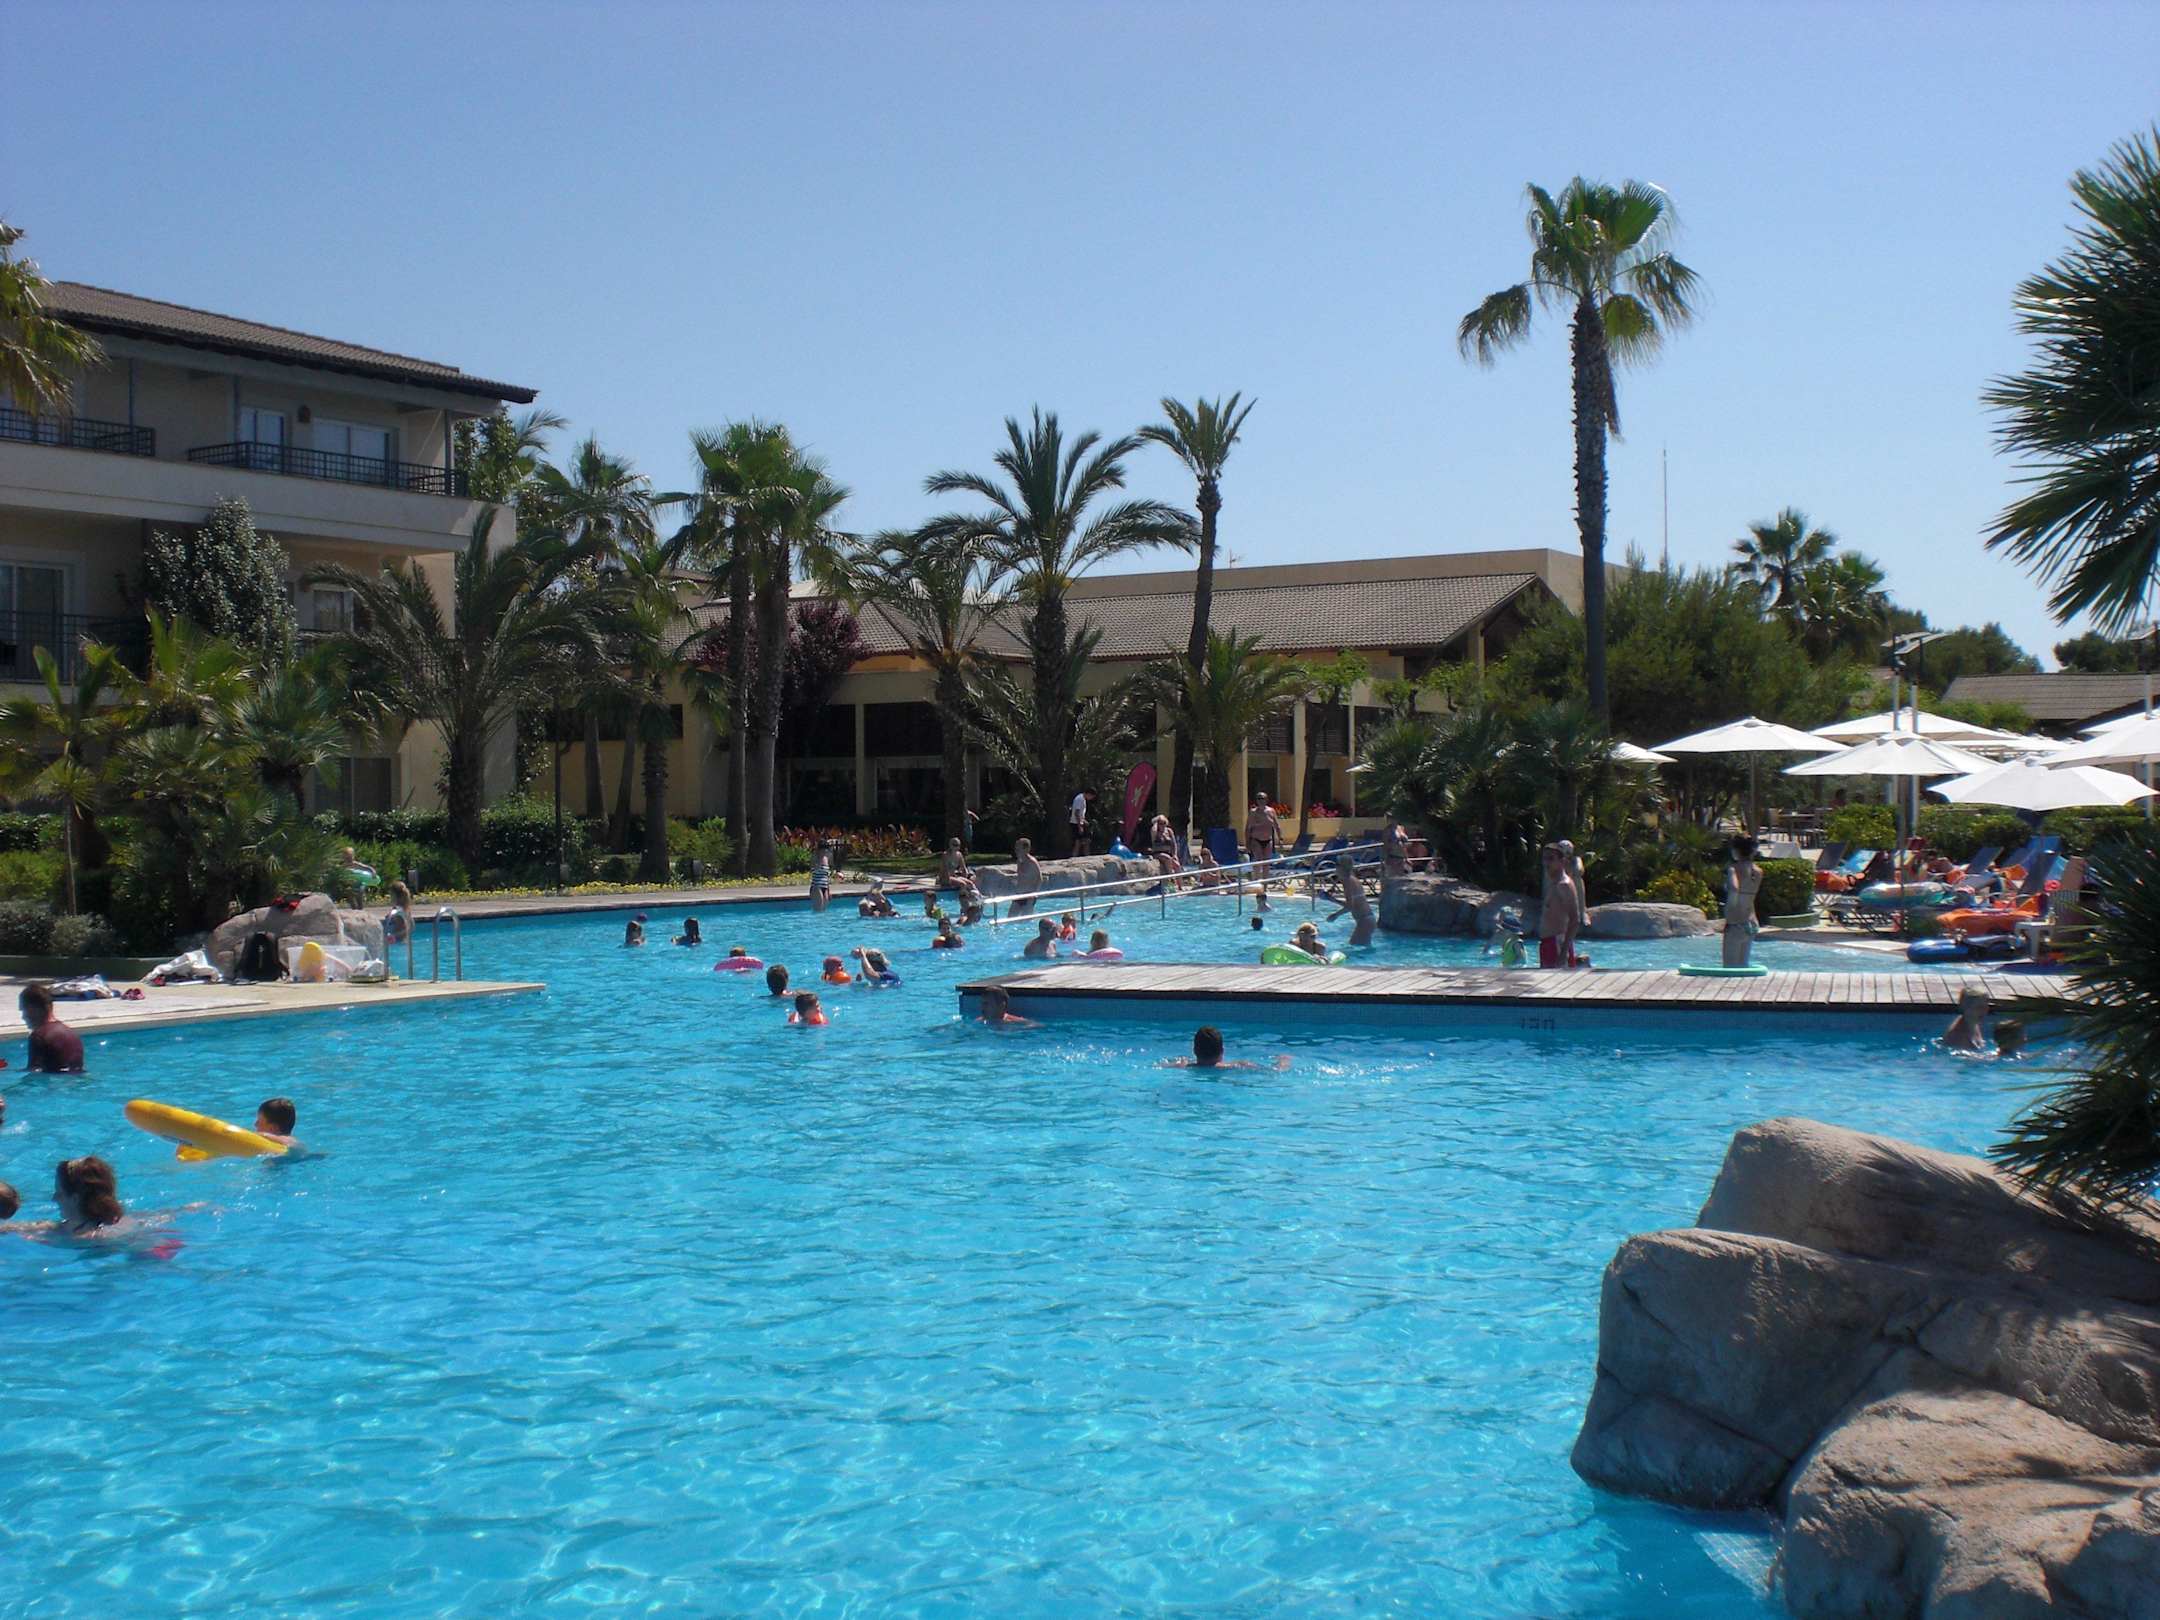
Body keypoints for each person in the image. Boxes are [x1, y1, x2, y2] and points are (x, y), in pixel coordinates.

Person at [19, 984, 84, 1074]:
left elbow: (34, 1073)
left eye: (24, 1010)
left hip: (54, 1081)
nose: (23, 1017)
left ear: (34, 1009)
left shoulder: (39, 1036)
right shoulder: (72, 1034)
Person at [1165, 1025, 1290, 1071]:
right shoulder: (1238, 1065)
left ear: (1194, 1050)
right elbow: (1275, 1071)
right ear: (1222, 1051)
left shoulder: (1182, 1066)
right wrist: (1284, 1060)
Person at [1537, 845, 1584, 970]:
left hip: (1557, 944)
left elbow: (1575, 920)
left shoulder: (1564, 885)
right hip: (1548, 944)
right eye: (1544, 859)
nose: (1546, 863)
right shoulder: (1554, 883)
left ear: (1562, 862)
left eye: (1551, 858)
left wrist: (1563, 953)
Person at [1722, 836, 1764, 969]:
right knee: (1743, 967)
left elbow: (1734, 888)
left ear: (1735, 850)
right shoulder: (1758, 872)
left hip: (1736, 923)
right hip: (1752, 923)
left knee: (1729, 968)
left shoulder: (1733, 869)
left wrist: (1731, 905)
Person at [1326, 854, 1377, 947]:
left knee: (1353, 949)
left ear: (1342, 867)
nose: (1335, 867)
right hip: (1367, 920)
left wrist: (1335, 914)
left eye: (1337, 865)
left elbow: (1349, 907)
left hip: (1364, 921)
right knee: (1360, 949)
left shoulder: (1347, 881)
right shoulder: (1352, 879)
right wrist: (1332, 902)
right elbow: (1352, 905)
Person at [1944, 985, 1990, 1052]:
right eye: (1979, 1007)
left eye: (1986, 1006)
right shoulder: (1959, 1035)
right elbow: (1963, 1056)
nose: (1984, 1011)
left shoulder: (1972, 1023)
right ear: (1965, 1008)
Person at [1244, 792, 1281, 872]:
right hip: (1256, 839)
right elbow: (1248, 828)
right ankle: (1257, 878)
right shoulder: (1253, 812)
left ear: (1266, 800)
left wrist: (1280, 839)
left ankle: (1265, 879)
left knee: (1266, 863)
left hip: (1268, 840)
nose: (1261, 801)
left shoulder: (1271, 811)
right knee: (1258, 860)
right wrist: (1247, 843)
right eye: (1259, 798)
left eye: (1262, 798)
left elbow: (1277, 826)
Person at [1009, 837, 1042, 916]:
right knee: (1010, 918)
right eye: (1016, 847)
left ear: (1026, 849)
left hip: (1029, 896)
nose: (1016, 849)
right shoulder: (1019, 861)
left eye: (1018, 847)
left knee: (1025, 920)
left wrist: (1034, 895)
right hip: (1018, 894)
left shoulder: (1032, 862)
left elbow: (1039, 879)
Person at [383, 880, 413, 947]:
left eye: (391, 895)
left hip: (398, 942)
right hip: (401, 942)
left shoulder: (399, 911)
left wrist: (394, 935)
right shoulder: (403, 908)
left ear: (396, 897)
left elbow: (410, 927)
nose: (390, 898)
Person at [808, 841, 834, 913]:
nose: (826, 851)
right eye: (824, 849)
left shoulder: (827, 858)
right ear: (820, 849)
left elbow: (826, 876)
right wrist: (819, 862)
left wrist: (829, 891)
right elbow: (813, 870)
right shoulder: (815, 857)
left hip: (825, 886)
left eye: (827, 849)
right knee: (818, 910)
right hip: (816, 886)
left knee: (824, 911)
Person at [1070, 787, 1095, 856]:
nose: (1091, 798)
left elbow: (1080, 813)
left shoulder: (1083, 799)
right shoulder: (1079, 799)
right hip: (1076, 823)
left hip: (1080, 822)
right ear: (1089, 794)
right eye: (1091, 797)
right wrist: (1080, 826)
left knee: (1086, 841)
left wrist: (1084, 820)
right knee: (1078, 842)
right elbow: (1076, 813)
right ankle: (1075, 857)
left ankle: (1086, 855)